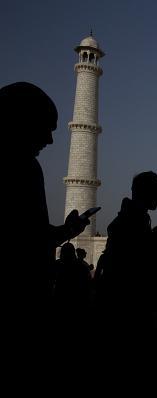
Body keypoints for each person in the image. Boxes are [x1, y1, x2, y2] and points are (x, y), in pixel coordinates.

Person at [2, 82, 90, 331]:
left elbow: (27, 234)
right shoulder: (24, 167)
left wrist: (66, 230)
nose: (50, 140)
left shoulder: (27, 165)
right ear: (19, 120)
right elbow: (27, 240)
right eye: (44, 128)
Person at [101, 171, 157, 336]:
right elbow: (134, 262)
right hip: (129, 299)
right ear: (147, 193)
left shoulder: (133, 216)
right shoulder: (133, 220)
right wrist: (154, 242)